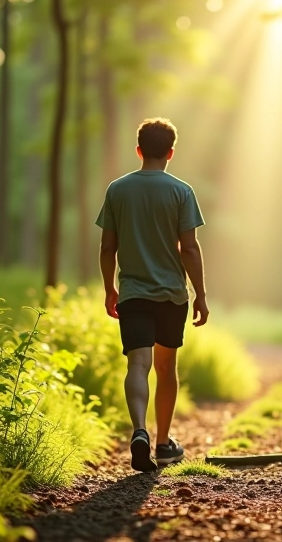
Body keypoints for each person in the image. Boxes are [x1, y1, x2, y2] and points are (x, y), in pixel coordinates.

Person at [96, 118, 209, 472]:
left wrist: (109, 288)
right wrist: (202, 294)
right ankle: (163, 444)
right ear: (171, 152)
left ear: (139, 150)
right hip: (172, 295)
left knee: (138, 364)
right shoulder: (181, 191)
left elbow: (107, 246)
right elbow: (189, 248)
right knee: (165, 367)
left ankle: (139, 431)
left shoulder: (117, 189)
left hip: (132, 293)